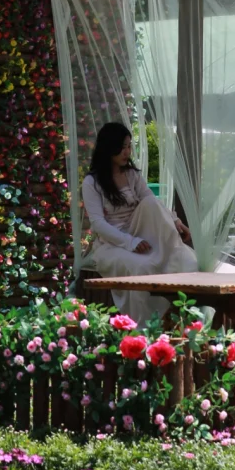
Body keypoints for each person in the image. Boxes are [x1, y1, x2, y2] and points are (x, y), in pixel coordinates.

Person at [81, 121, 199, 327]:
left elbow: (153, 202)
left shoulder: (131, 174)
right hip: (112, 243)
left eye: (129, 146)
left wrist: (176, 222)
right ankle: (146, 326)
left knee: (150, 202)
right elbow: (98, 224)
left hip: (138, 230)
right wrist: (130, 241)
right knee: (144, 266)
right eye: (122, 147)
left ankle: (178, 315)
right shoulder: (92, 182)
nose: (127, 152)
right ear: (109, 147)